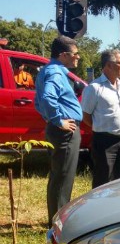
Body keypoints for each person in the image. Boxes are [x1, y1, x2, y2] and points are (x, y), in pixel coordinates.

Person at [34, 35, 82, 227]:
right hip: (64, 132)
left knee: (57, 176)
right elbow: (47, 98)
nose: (78, 57)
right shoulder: (55, 73)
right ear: (63, 55)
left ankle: (55, 218)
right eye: (75, 54)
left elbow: (39, 102)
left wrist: (50, 119)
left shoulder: (47, 70)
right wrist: (58, 120)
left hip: (57, 130)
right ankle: (58, 224)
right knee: (63, 178)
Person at [81, 49, 120, 188]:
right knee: (103, 182)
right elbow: (86, 116)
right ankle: (99, 209)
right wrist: (102, 128)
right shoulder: (94, 88)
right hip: (105, 142)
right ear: (109, 65)